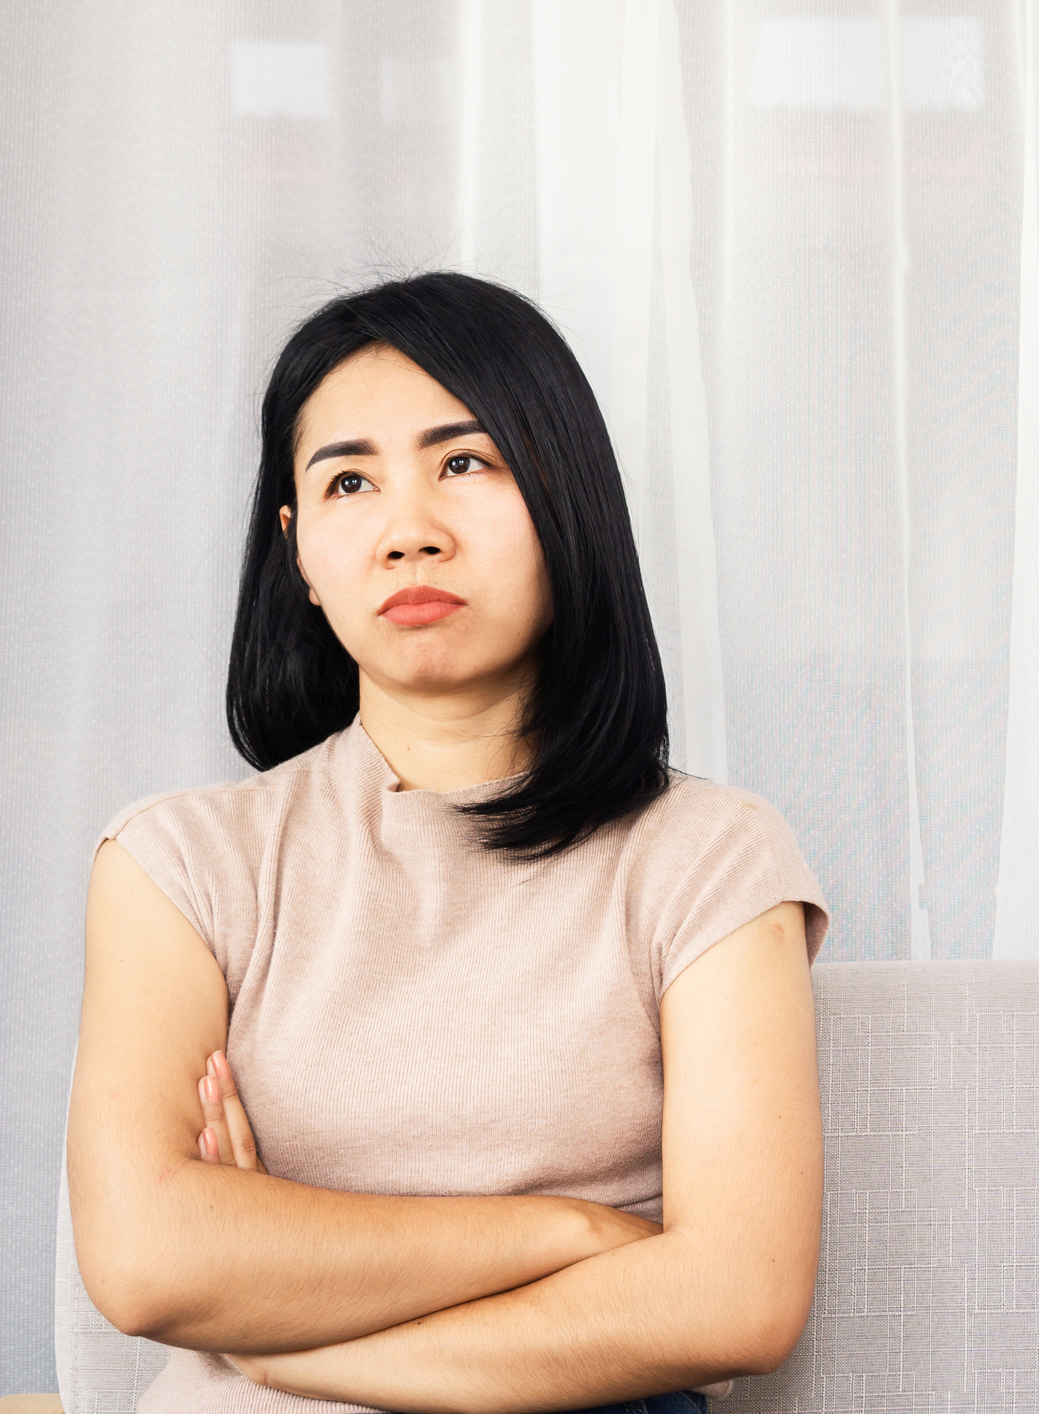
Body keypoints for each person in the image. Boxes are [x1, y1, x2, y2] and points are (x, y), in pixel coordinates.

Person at [68, 272, 827, 1414]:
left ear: (563, 502)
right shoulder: (180, 861)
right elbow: (145, 1259)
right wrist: (569, 1230)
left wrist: (295, 1335)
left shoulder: (709, 856)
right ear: (300, 553)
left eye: (466, 463)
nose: (408, 531)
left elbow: (739, 1299)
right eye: (349, 481)